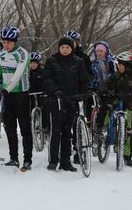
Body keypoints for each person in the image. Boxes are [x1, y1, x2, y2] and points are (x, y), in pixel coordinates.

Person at [0, 25, 33, 171]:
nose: (6, 45)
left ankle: (27, 160)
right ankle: (14, 158)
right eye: (4, 42)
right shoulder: (1, 55)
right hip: (7, 95)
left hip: (21, 94)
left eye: (9, 42)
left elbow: (18, 75)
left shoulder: (22, 54)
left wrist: (5, 90)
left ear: (15, 41)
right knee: (10, 128)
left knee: (25, 128)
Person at [43, 36, 89, 172]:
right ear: (59, 48)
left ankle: (66, 161)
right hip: (56, 100)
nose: (64, 49)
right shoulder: (52, 61)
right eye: (62, 47)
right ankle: (53, 160)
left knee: (67, 132)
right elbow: (47, 78)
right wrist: (55, 90)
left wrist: (82, 94)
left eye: (67, 47)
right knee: (56, 131)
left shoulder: (78, 62)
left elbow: (84, 80)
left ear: (72, 48)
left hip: (71, 100)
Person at [102, 51, 132, 167]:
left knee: (129, 131)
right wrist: (105, 90)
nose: (118, 67)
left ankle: (127, 155)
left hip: (130, 105)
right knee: (108, 111)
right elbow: (106, 84)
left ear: (127, 66)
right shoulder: (116, 75)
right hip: (116, 102)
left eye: (120, 65)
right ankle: (105, 130)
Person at [64, 30, 91, 164]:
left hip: (79, 94)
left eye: (73, 42)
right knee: (65, 124)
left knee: (78, 123)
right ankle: (65, 151)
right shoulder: (60, 56)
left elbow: (89, 75)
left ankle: (78, 150)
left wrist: (84, 89)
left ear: (77, 43)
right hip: (64, 95)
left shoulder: (84, 58)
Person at [87, 41, 117, 141]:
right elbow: (90, 77)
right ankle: (90, 125)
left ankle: (101, 128)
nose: (99, 53)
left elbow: (114, 76)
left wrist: (110, 87)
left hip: (108, 90)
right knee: (88, 104)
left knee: (105, 107)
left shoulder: (111, 62)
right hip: (95, 90)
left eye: (101, 51)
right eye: (97, 51)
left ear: (106, 52)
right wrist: (90, 87)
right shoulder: (93, 63)